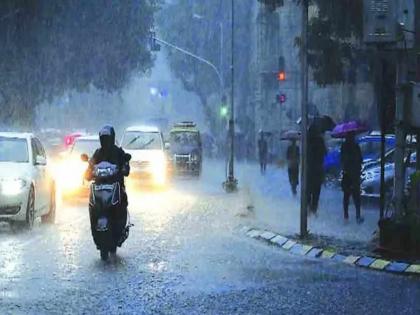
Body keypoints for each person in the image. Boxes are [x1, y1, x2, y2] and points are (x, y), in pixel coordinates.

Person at [85, 125, 131, 253]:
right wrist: (88, 172)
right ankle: (95, 228)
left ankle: (120, 225)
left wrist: (124, 167)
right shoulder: (98, 153)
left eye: (107, 138)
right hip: (99, 186)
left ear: (112, 138)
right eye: (103, 138)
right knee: (91, 205)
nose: (105, 141)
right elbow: (90, 166)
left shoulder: (118, 152)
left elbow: (125, 165)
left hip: (115, 185)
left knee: (123, 199)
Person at [340, 132, 363, 223]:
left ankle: (347, 216)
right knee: (355, 196)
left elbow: (342, 160)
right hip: (353, 174)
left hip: (348, 174)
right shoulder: (355, 147)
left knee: (347, 196)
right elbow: (360, 159)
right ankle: (356, 216)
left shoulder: (344, 147)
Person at [307, 125, 327, 215]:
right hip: (317, 170)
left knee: (308, 191)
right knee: (316, 192)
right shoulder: (320, 141)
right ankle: (313, 210)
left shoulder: (307, 141)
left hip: (309, 170)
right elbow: (325, 153)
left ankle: (308, 210)